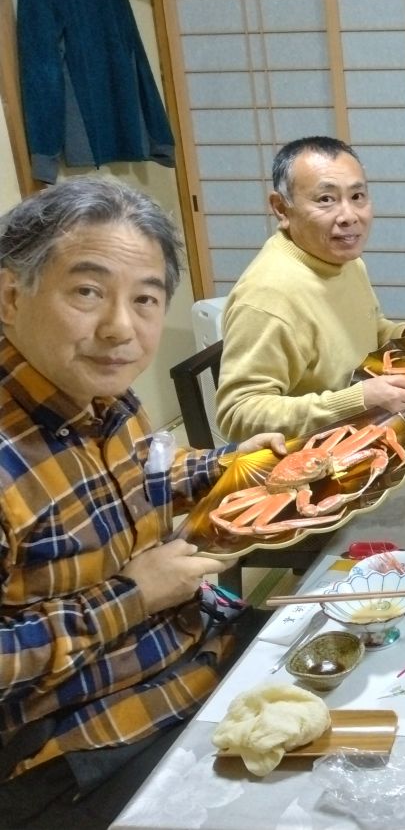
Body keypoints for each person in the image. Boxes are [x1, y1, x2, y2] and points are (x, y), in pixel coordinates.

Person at [0, 177, 285, 828]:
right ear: (11, 297)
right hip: (80, 746)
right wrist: (132, 595)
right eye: (88, 291)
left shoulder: (104, 396)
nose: (119, 327)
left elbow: (141, 472)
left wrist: (232, 465)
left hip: (198, 652)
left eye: (146, 298)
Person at [216, 136, 405, 441]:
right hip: (316, 462)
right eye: (326, 199)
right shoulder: (269, 295)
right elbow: (237, 414)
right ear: (281, 209)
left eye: (358, 196)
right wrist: (355, 400)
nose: (349, 216)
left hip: (370, 430)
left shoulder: (344, 261)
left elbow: (362, 334)